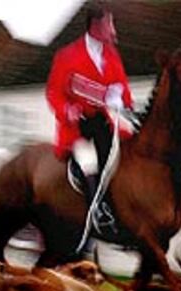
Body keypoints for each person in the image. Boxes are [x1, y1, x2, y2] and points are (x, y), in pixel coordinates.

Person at [46, 2, 137, 207]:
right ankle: (93, 213)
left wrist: (125, 103)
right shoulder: (67, 55)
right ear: (95, 25)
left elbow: (123, 90)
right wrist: (67, 110)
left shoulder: (112, 56)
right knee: (89, 163)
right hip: (78, 127)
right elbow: (53, 92)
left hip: (103, 122)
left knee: (122, 158)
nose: (113, 30)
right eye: (109, 24)